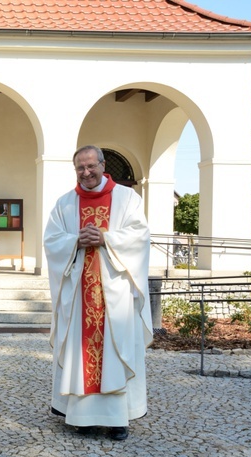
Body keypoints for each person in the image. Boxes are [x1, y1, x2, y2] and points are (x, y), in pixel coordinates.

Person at [42, 145, 152, 441]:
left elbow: (140, 237)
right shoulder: (65, 204)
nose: (86, 173)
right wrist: (74, 241)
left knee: (115, 352)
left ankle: (118, 420)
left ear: (103, 166)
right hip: (80, 293)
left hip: (114, 292)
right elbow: (51, 241)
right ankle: (83, 417)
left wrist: (106, 238)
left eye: (91, 166)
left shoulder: (127, 198)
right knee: (81, 351)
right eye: (80, 168)